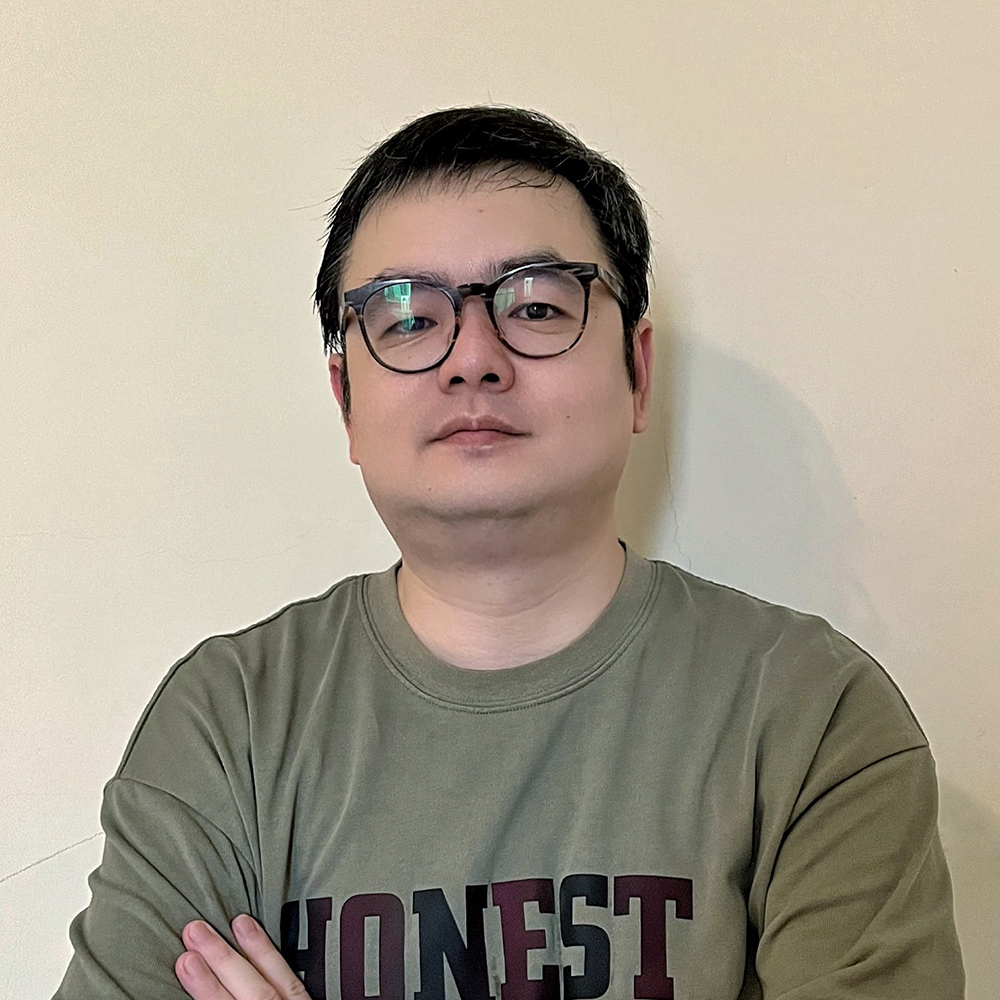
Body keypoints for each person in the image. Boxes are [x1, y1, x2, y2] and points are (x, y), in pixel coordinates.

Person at [54, 106, 964, 1000]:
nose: (473, 360)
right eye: (408, 319)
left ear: (638, 372)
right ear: (346, 402)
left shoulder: (811, 712)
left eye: (535, 305)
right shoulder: (229, 724)